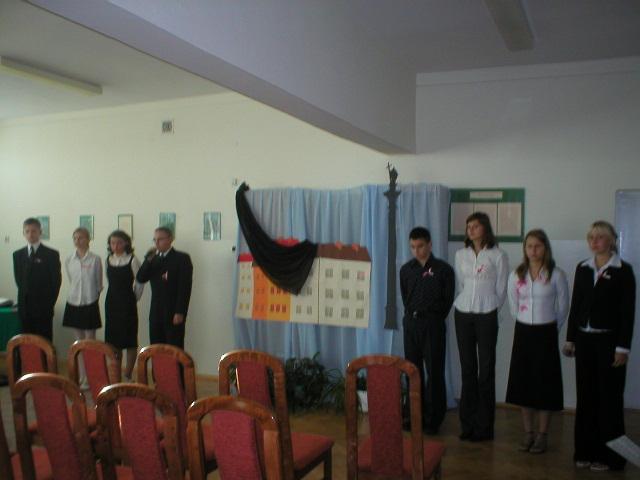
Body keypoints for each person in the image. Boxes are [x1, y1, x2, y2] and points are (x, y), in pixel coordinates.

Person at [563, 221, 636, 472]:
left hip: (609, 343)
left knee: (609, 400)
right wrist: (571, 338)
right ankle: (584, 451)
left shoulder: (623, 271)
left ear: (612, 240)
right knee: (586, 398)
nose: (595, 241)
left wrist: (623, 348)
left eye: (600, 237)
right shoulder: (582, 268)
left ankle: (610, 457)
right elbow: (576, 305)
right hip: (584, 342)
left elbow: (627, 313)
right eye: (591, 237)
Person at [505, 229, 569, 454]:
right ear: (525, 249)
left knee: (544, 385)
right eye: (529, 246)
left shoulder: (556, 274)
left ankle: (542, 435)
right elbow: (513, 304)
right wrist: (524, 321)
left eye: (538, 246)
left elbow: (563, 307)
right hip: (523, 332)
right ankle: (528, 433)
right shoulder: (516, 274)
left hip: (546, 333)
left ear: (545, 248)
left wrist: (552, 328)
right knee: (524, 384)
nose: (533, 250)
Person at [454, 211, 508, 442]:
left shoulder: (498, 255)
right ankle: (467, 424)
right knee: (467, 369)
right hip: (463, 313)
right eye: (469, 227)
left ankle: (484, 427)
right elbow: (461, 283)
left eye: (475, 226)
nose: (471, 230)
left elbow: (502, 288)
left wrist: (492, 307)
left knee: (485, 371)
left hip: (487, 314)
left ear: (485, 228)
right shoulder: (461, 254)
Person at [400, 227, 455, 434]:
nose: (417, 251)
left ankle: (433, 419)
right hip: (411, 325)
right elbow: (405, 297)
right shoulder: (406, 270)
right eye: (413, 247)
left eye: (420, 246)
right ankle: (414, 416)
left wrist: (431, 317)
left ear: (430, 245)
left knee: (434, 372)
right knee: (412, 371)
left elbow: (446, 301)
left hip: (432, 325)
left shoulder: (444, 270)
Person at [136, 227, 193, 349]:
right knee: (156, 348)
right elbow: (140, 278)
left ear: (170, 239)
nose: (156, 243)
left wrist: (180, 311)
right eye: (155, 240)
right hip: (156, 312)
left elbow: (185, 287)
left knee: (174, 348)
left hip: (173, 312)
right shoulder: (153, 259)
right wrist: (148, 260)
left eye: (160, 239)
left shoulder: (181, 258)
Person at [62, 227, 103, 388]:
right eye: (75, 238)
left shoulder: (95, 259)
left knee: (90, 344)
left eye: (81, 237)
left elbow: (99, 284)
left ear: (88, 239)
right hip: (73, 303)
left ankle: (91, 377)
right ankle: (81, 376)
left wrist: (91, 296)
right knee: (78, 344)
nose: (78, 241)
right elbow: (71, 280)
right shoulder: (69, 260)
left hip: (89, 302)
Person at [13, 217, 62, 341]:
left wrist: (49, 304)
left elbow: (56, 282)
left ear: (40, 232)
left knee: (44, 342)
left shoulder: (51, 254)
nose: (30, 234)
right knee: (26, 343)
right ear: (23, 233)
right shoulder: (17, 255)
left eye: (34, 231)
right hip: (25, 309)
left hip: (43, 309)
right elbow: (19, 281)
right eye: (27, 231)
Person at [105, 230, 144, 380]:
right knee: (114, 341)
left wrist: (134, 298)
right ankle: (116, 374)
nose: (115, 246)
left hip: (127, 302)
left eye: (119, 242)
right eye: (112, 243)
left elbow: (140, 282)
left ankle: (127, 374)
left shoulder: (132, 260)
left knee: (130, 339)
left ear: (126, 243)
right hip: (112, 303)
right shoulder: (108, 259)